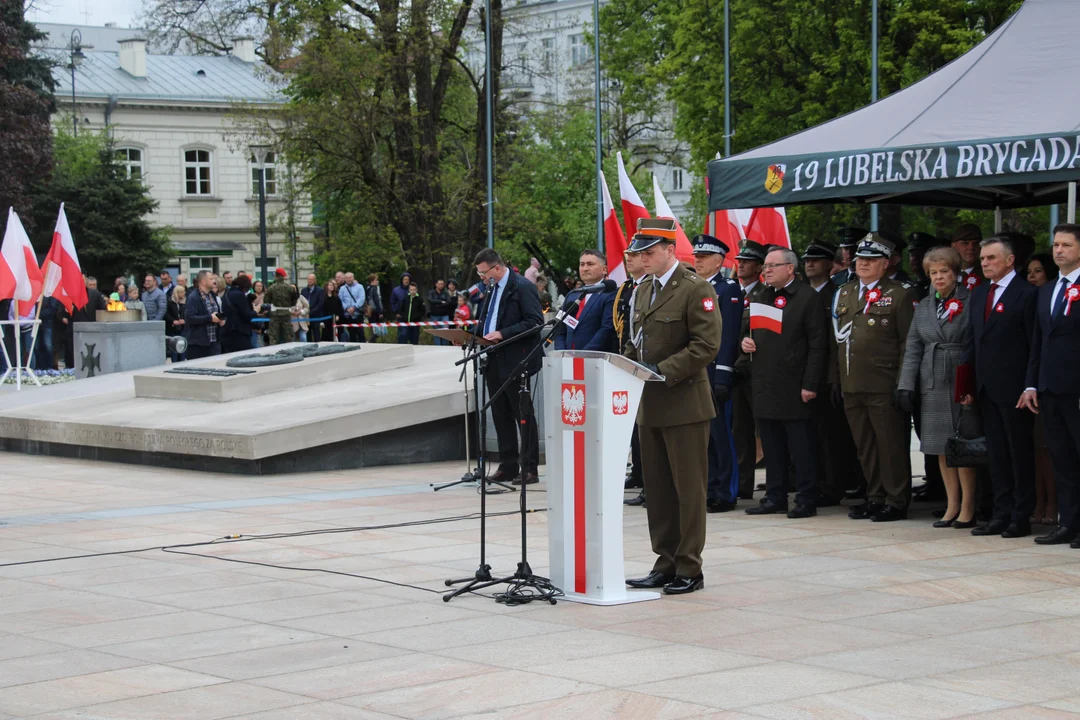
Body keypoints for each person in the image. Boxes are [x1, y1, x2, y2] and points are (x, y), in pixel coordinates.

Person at [623, 218, 721, 595]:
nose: (643, 259)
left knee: (688, 491)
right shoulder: (643, 290)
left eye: (650, 252)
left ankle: (689, 567)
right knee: (660, 490)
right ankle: (665, 561)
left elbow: (705, 346)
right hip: (650, 405)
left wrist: (660, 371)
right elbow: (635, 340)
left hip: (685, 404)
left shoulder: (696, 289)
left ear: (669, 250)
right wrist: (628, 367)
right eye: (640, 253)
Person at [834, 232, 918, 522]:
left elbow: (908, 341)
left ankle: (896, 500)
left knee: (890, 444)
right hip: (852, 382)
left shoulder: (899, 293)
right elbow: (840, 339)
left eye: (871, 260)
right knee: (865, 446)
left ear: (886, 264)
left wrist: (904, 382)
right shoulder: (845, 292)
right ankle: (875, 496)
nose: (863, 264)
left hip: (884, 382)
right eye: (860, 259)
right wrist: (837, 380)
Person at [959, 236, 1038, 538]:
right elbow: (971, 341)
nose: (985, 263)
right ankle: (1000, 513)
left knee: (1018, 453)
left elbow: (1034, 345)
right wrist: (966, 383)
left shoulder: (1027, 294)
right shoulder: (979, 294)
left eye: (992, 258)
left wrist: (1030, 384)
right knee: (996, 455)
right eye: (983, 259)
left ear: (1009, 260)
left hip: (1015, 388)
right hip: (985, 388)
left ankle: (1021, 514)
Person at [741, 247, 828, 518]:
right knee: (772, 445)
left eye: (772, 265)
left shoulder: (806, 298)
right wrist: (744, 343)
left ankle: (805, 498)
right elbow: (748, 332)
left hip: (795, 384)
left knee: (801, 447)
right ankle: (774, 496)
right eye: (765, 266)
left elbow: (818, 346)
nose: (766, 270)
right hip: (765, 383)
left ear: (790, 268)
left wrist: (810, 384)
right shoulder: (761, 295)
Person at [898, 246, 977, 529]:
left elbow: (974, 343)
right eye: (933, 272)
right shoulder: (925, 306)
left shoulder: (970, 301)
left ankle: (968, 505)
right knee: (941, 446)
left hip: (958, 377)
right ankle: (951, 503)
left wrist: (970, 382)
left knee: (962, 446)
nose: (939, 277)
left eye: (944, 271)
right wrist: (906, 385)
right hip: (930, 380)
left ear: (955, 273)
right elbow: (913, 347)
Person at [1021, 224, 1080, 546]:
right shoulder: (1048, 290)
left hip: (1077, 388)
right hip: (1049, 388)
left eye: (1066, 245)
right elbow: (1038, 342)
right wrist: (1031, 383)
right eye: (1056, 245)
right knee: (1062, 459)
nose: (1059, 250)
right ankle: (1068, 524)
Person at [472, 248, 543, 486]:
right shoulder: (491, 289)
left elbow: (534, 321)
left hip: (516, 357)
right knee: (500, 413)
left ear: (497, 268)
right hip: (493, 358)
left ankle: (530, 467)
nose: (482, 278)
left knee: (522, 413)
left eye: (484, 273)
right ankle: (508, 464)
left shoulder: (521, 286)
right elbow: (488, 319)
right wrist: (472, 336)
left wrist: (503, 334)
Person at [803, 240, 861, 506]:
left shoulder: (838, 294)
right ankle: (817, 481)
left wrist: (832, 377)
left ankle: (834, 484)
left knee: (832, 436)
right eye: (806, 260)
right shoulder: (803, 294)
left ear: (830, 265)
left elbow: (833, 342)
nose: (810, 264)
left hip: (829, 375)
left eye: (816, 260)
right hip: (804, 374)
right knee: (812, 435)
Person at [691, 235, 744, 513]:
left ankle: (726, 491)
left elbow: (728, 336)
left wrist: (723, 374)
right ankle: (710, 486)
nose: (697, 260)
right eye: (696, 256)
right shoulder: (694, 288)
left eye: (704, 257)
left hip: (715, 374)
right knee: (704, 437)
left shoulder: (727, 290)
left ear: (719, 261)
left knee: (721, 436)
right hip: (695, 374)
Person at [732, 239, 768, 501]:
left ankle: (779, 482)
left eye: (747, 261)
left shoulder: (765, 296)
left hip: (758, 374)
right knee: (740, 432)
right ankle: (743, 485)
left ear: (759, 267)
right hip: (734, 374)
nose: (741, 265)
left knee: (766, 430)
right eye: (739, 261)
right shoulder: (732, 293)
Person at [614, 249, 649, 507]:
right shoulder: (626, 289)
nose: (630, 259)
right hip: (628, 362)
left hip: (647, 366)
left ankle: (650, 484)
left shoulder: (649, 288)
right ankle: (640, 476)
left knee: (647, 429)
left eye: (636, 255)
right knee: (635, 429)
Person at [1026, 253, 1058, 525]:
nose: (1032, 276)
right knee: (1037, 449)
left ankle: (1054, 505)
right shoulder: (1036, 298)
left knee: (1052, 449)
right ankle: (1040, 502)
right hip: (1033, 384)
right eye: (1029, 271)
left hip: (1061, 384)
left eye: (1037, 271)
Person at [553, 249, 617, 352]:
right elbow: (560, 327)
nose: (585, 268)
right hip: (567, 359)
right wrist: (561, 352)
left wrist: (583, 355)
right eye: (582, 264)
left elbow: (606, 329)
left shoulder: (610, 293)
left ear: (604, 269)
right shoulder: (572, 295)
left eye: (590, 264)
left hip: (595, 359)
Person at [184, 269, 224, 358]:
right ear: (203, 282)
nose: (214, 281)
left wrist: (221, 319)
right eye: (211, 279)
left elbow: (215, 312)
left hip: (214, 341)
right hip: (199, 344)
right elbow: (189, 318)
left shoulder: (212, 295)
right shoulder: (193, 297)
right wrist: (210, 318)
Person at [221, 275, 258, 353]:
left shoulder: (227, 293)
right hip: (240, 333)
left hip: (227, 332)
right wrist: (255, 311)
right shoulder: (239, 295)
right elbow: (246, 315)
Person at [265, 268, 296, 345]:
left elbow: (266, 301)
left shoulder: (271, 288)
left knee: (274, 337)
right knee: (289, 337)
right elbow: (294, 301)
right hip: (286, 314)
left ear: (276, 276)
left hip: (275, 315)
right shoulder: (290, 288)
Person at [907, 232, 941, 299]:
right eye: (912, 254)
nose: (915, 258)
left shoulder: (940, 284)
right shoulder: (909, 285)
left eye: (919, 253)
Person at [953, 223, 984, 291]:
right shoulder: (946, 273)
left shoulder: (987, 274)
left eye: (976, 243)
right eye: (965, 243)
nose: (971, 247)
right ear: (953, 246)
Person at [338, 272, 367, 343]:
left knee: (360, 333)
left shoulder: (359, 287)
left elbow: (361, 298)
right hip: (348, 315)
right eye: (347, 278)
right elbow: (340, 300)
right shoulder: (342, 289)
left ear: (353, 278)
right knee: (352, 334)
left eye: (350, 277)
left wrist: (354, 307)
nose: (348, 279)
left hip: (358, 314)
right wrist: (346, 308)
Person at [34, 296, 60, 370]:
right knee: (36, 346)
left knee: (47, 345)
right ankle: (41, 366)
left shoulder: (50, 293)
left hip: (47, 323)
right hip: (34, 323)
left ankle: (50, 366)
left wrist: (39, 315)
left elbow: (52, 309)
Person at [427, 279, 455, 346]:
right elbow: (430, 300)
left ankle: (445, 346)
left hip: (444, 315)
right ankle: (438, 346)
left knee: (445, 331)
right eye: (439, 284)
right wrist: (441, 302)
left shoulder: (446, 293)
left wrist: (437, 304)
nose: (441, 285)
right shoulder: (431, 292)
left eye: (442, 284)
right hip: (434, 315)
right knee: (437, 332)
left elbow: (449, 302)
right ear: (436, 284)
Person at [165, 286, 187, 362]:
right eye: (181, 292)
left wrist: (184, 320)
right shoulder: (170, 303)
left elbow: (187, 314)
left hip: (183, 328)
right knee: (174, 347)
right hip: (173, 328)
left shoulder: (185, 303)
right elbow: (167, 314)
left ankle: (182, 361)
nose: (184, 293)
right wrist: (173, 321)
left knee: (183, 346)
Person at [302, 273, 325, 343]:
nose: (310, 281)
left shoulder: (320, 291)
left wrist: (311, 312)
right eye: (309, 279)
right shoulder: (304, 291)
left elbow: (320, 303)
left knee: (316, 333)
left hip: (315, 316)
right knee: (307, 333)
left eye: (311, 279)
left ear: (315, 280)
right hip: (306, 316)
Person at [366, 273, 386, 340]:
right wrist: (380, 312)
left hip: (371, 311)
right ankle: (370, 342)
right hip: (375, 312)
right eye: (376, 280)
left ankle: (372, 342)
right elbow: (376, 301)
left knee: (374, 330)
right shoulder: (374, 289)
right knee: (377, 331)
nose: (377, 281)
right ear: (372, 281)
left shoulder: (368, 288)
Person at [250, 280, 268, 347]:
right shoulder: (250, 296)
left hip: (263, 321)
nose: (259, 287)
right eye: (257, 286)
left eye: (260, 286)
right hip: (253, 321)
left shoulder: (265, 296)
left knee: (261, 340)